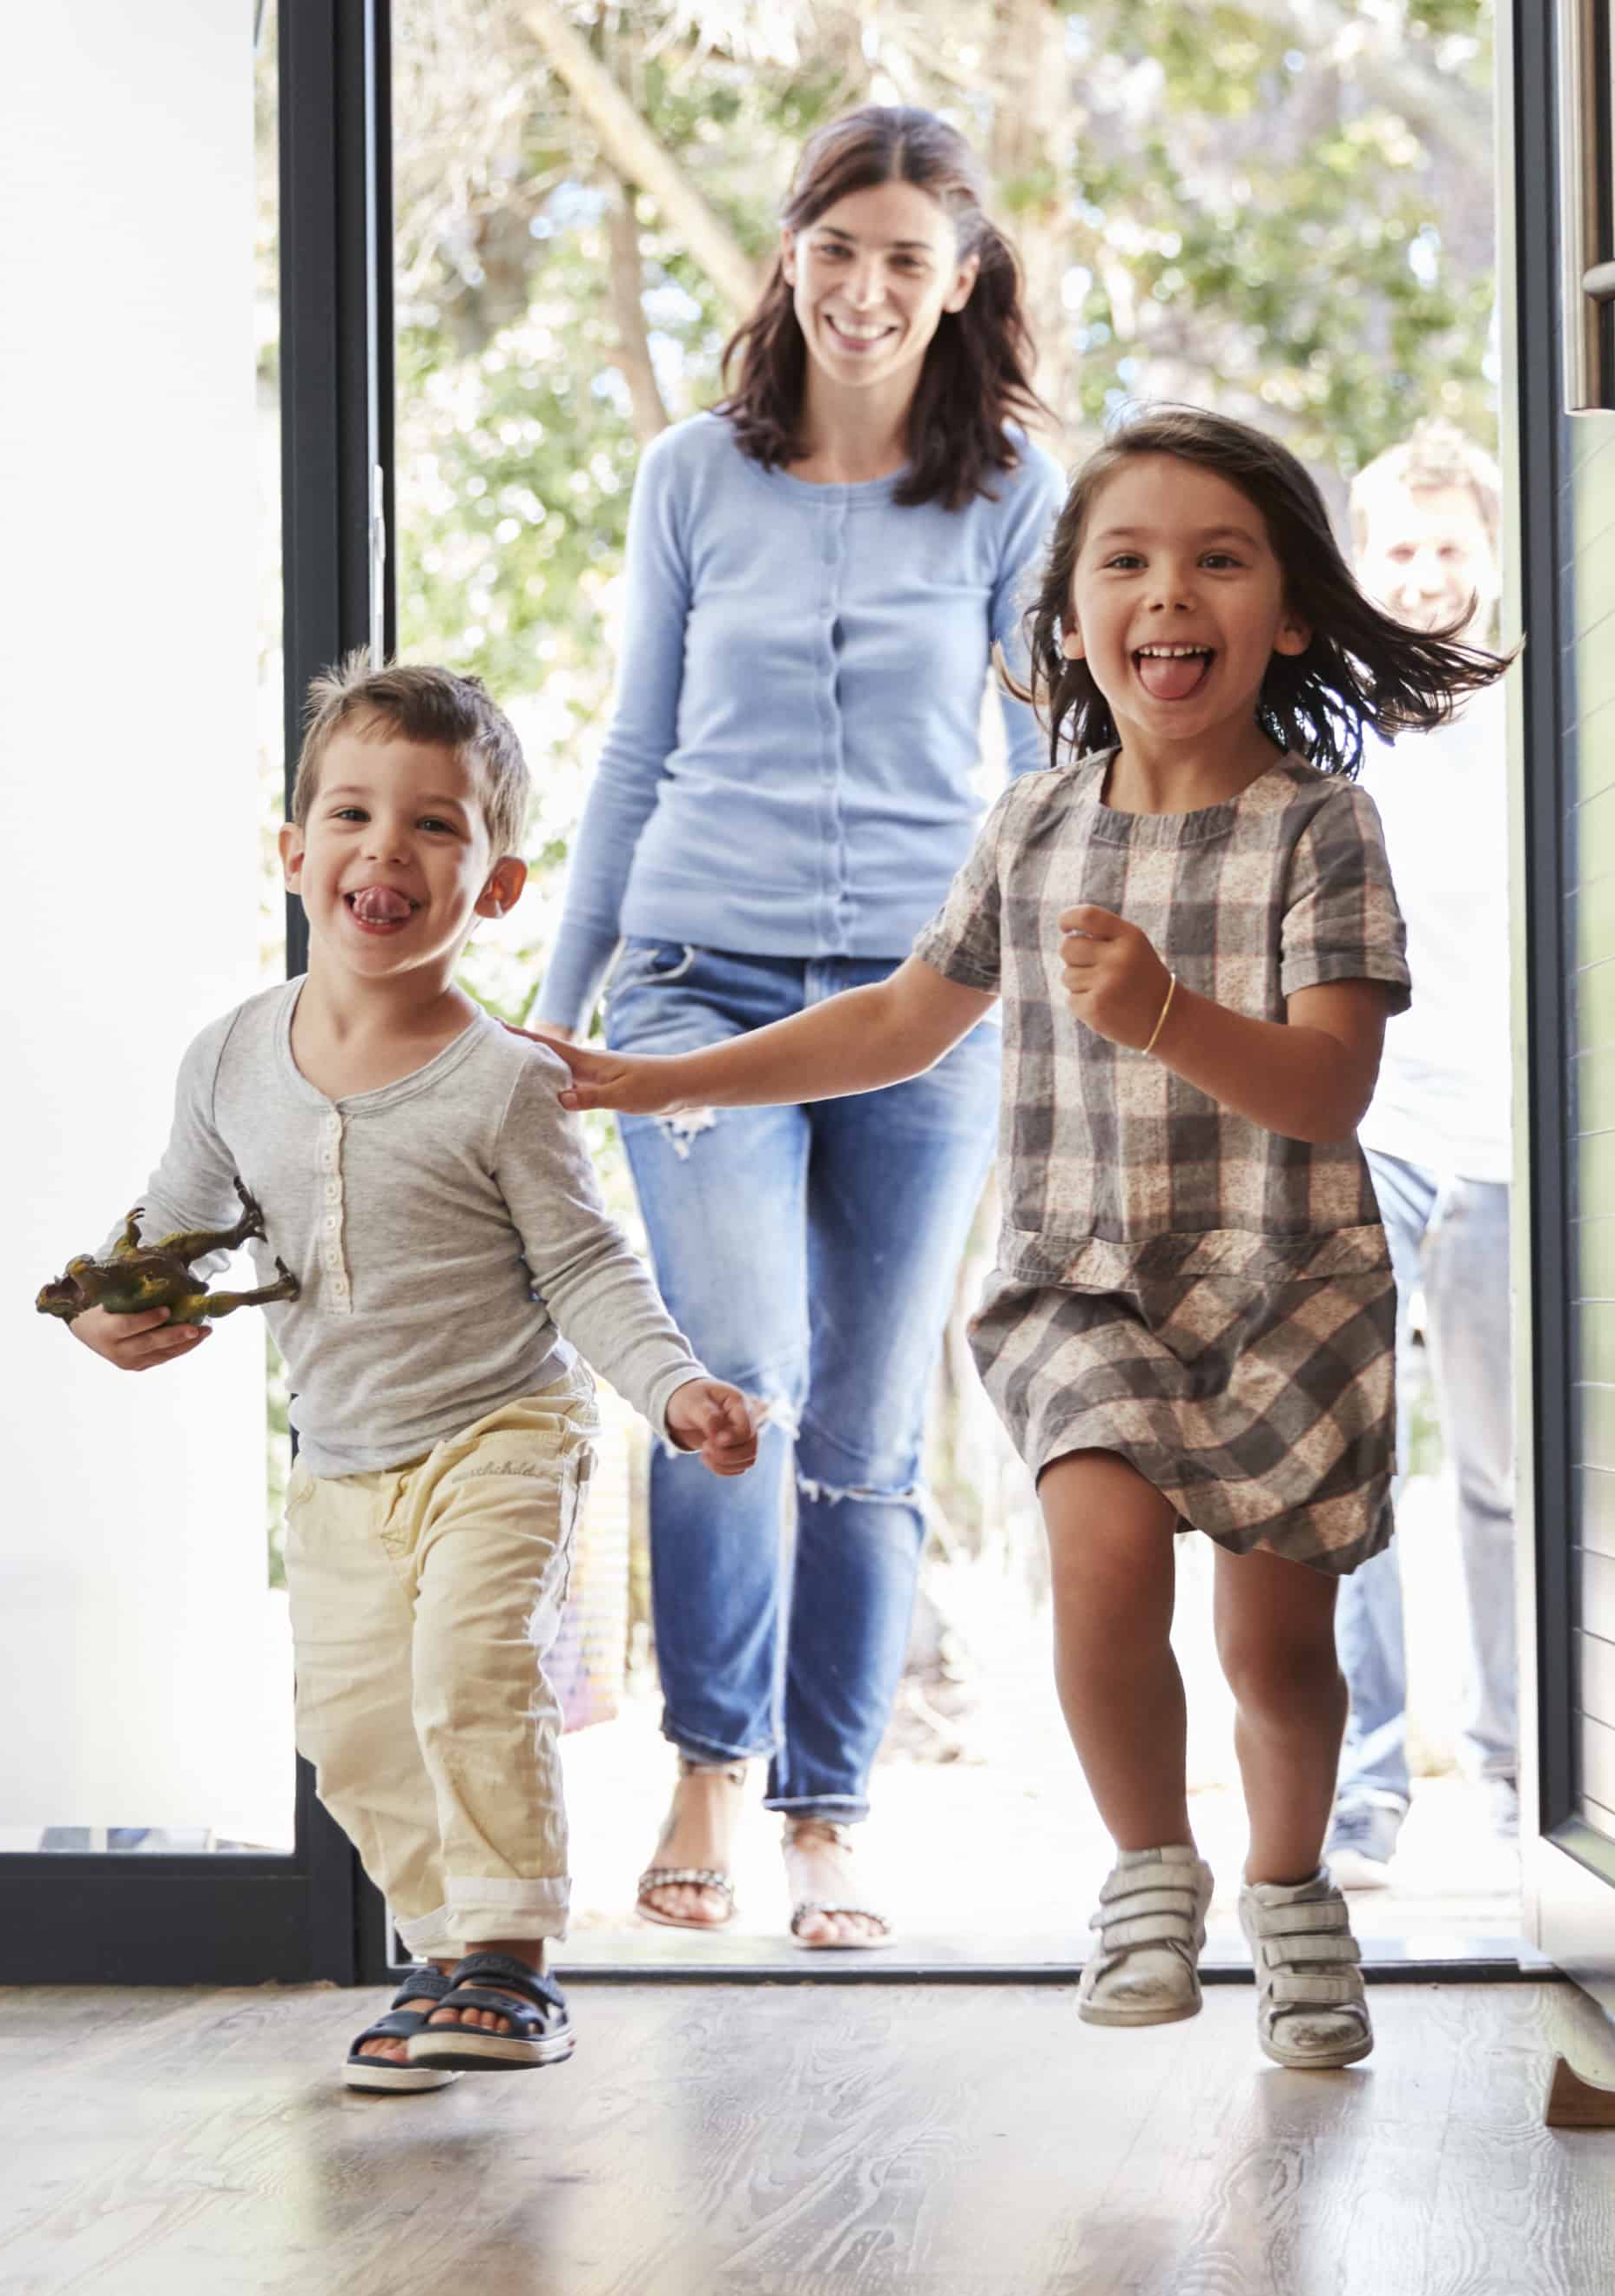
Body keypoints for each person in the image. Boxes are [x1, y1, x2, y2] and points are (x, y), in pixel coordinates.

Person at [543, 409, 1507, 2067]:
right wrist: (661, 1071)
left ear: (1286, 610)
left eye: (1219, 558)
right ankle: (1150, 1870)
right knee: (1102, 1564)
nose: (1168, 593)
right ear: (1066, 620)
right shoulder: (1034, 826)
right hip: (1087, 1283)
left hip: (1289, 1285)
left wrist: (1165, 1013)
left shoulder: (1322, 828)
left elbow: (1332, 1088)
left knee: (1277, 1649)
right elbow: (902, 1023)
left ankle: (1291, 1895)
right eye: (1123, 561)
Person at [69, 654, 763, 2091]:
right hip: (338, 1458)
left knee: (469, 1671)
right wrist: (107, 1305)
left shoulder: (507, 1080)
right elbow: (175, 1225)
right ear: (293, 854)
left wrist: (674, 1388)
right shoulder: (226, 1060)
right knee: (354, 1726)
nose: (386, 847)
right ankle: (446, 1951)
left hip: (499, 1429)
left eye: (437, 826)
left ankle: (511, 1966)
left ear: (496, 888)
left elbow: (584, 1268)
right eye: (351, 815)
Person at [528, 104, 1066, 1950]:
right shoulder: (696, 474)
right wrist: (553, 1009)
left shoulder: (1012, 497)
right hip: (694, 985)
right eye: (837, 249)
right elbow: (634, 747)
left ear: (961, 280)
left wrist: (1056, 1000)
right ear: (789, 255)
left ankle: (828, 1810)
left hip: (928, 1007)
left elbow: (1043, 775)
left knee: (865, 1415)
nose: (863, 289)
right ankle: (705, 1769)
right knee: (731, 1380)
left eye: (906, 259)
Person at [1322, 426, 1524, 1886]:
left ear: (1493, 558)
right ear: (1362, 561)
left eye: (1453, 546)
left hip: (1513, 1134)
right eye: (1401, 548)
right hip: (1370, 1126)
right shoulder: (1332, 736)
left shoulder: (1541, 713)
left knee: (1511, 1474)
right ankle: (1366, 1790)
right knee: (1356, 1469)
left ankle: (1527, 1774)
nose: (1429, 573)